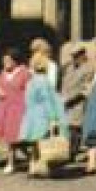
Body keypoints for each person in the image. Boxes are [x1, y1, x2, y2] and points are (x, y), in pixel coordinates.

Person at [19, 50, 68, 178]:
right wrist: (53, 118)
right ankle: (42, 167)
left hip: (31, 115)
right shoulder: (44, 81)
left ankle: (33, 166)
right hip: (41, 115)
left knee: (34, 143)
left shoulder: (31, 82)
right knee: (42, 142)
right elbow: (47, 100)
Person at [0, 48, 30, 174]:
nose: (5, 63)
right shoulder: (2, 74)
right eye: (4, 60)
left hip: (19, 108)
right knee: (9, 138)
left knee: (20, 138)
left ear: (15, 60)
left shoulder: (24, 73)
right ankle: (11, 162)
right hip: (5, 108)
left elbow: (30, 91)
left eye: (8, 60)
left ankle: (31, 158)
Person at [59, 46, 93, 150]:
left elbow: (86, 89)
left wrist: (72, 100)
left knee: (76, 127)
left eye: (76, 56)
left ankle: (74, 150)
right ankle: (69, 149)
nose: (74, 58)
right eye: (73, 56)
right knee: (67, 126)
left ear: (83, 55)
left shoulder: (88, 69)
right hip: (65, 101)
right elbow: (64, 83)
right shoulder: (69, 68)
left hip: (78, 102)